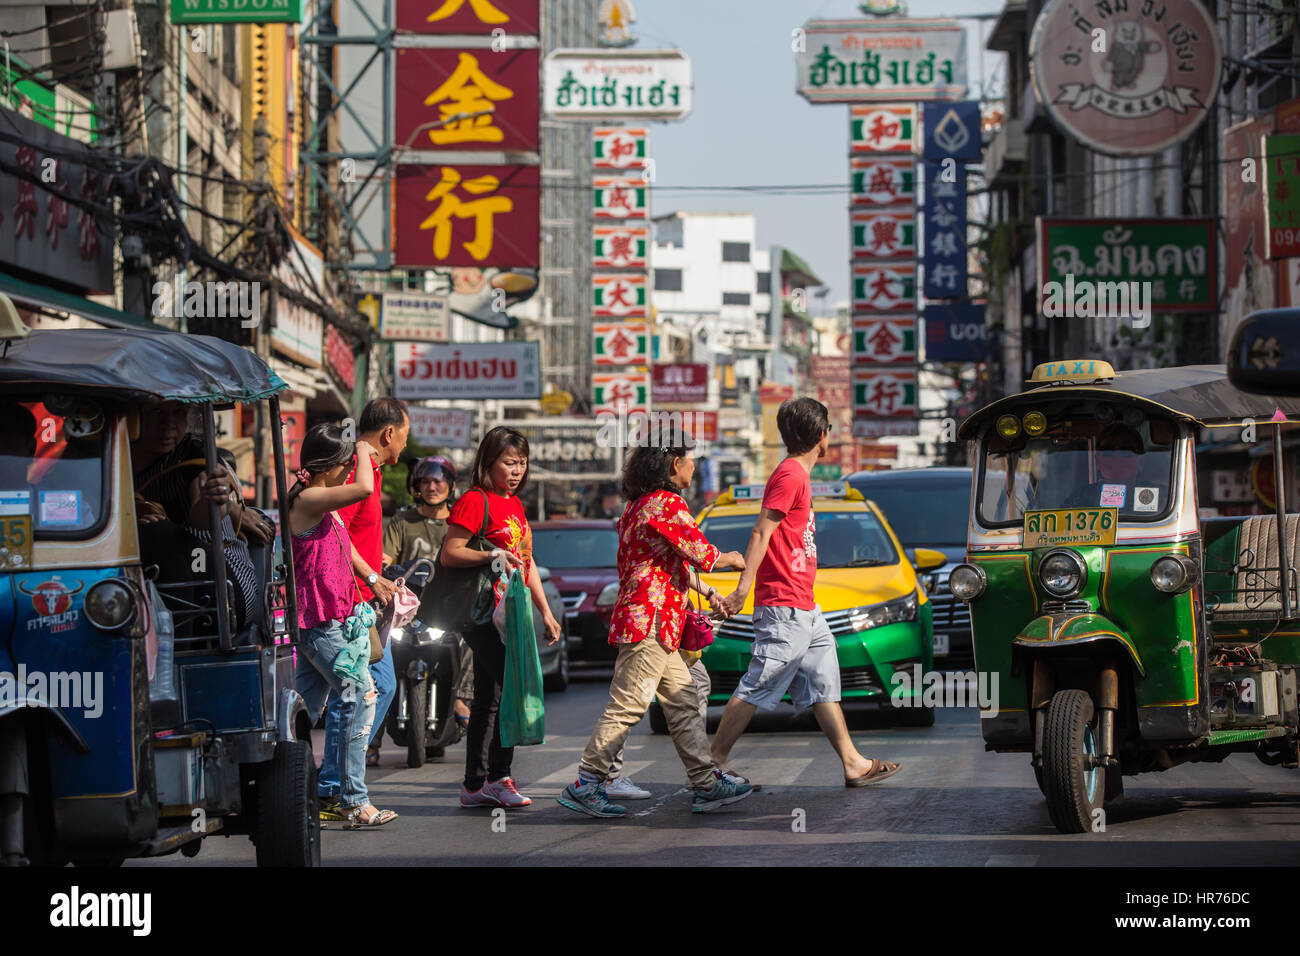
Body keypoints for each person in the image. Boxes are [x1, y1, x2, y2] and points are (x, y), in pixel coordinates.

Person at [713, 397, 902, 788]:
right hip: (784, 606)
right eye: (829, 428)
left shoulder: (797, 475)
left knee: (823, 682)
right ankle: (712, 763)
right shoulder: (790, 476)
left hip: (805, 607)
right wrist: (741, 591)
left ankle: (852, 762)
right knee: (759, 683)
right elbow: (760, 532)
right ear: (821, 435)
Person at [557, 443, 751, 819]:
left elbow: (673, 564)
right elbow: (701, 553)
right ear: (675, 463)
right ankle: (587, 782)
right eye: (691, 462)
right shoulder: (665, 503)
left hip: (654, 621)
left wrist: (706, 588)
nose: (694, 468)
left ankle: (706, 783)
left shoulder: (636, 506)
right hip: (651, 621)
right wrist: (733, 559)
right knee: (628, 704)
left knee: (682, 704)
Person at [441, 426, 563, 809]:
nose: (516, 470)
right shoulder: (476, 500)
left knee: (488, 698)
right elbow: (450, 553)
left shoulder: (514, 504)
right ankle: (498, 777)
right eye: (509, 462)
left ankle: (475, 785)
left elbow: (526, 563)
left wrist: (545, 611)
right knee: (512, 685)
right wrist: (491, 556)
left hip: (509, 613)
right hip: (480, 613)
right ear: (488, 462)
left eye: (522, 463)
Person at [287, 422, 397, 828]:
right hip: (319, 623)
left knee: (303, 710)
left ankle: (294, 793)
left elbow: (343, 543)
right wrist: (366, 452)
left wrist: (372, 578)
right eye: (345, 463)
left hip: (334, 617)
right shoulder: (310, 497)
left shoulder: (321, 503)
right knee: (361, 695)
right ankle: (353, 800)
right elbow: (365, 489)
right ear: (327, 465)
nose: (350, 469)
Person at [321, 398, 407, 780]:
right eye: (405, 436)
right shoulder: (356, 467)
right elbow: (335, 528)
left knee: (378, 688)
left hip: (366, 599)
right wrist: (370, 576)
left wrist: (381, 573)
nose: (405, 445)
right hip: (348, 600)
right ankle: (334, 780)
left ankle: (336, 776)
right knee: (358, 694)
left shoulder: (371, 467)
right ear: (389, 433)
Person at [132, 400, 268, 631]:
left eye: (178, 413)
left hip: (221, 588)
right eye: (156, 411)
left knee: (158, 533)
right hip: (140, 588)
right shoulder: (110, 454)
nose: (168, 424)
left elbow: (204, 519)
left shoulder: (196, 455)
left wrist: (212, 498)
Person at [382, 454, 473, 735]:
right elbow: (385, 560)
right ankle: (374, 737)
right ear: (416, 487)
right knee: (375, 651)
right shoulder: (401, 521)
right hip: (406, 608)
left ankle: (462, 697)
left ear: (450, 486)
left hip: (447, 607)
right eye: (425, 482)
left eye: (438, 481)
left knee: (473, 636)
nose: (432, 488)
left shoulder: (458, 521)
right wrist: (386, 574)